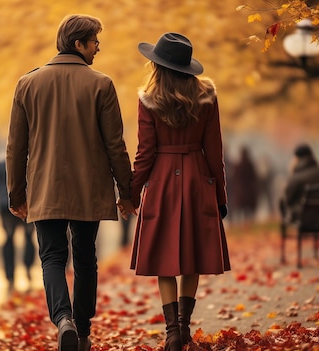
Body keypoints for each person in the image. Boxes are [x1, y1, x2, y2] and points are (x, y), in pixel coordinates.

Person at [6, 14, 133, 351]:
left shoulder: (27, 84)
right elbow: (115, 146)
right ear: (78, 44)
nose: (98, 47)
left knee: (51, 257)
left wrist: (16, 194)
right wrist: (127, 192)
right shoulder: (101, 85)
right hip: (89, 189)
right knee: (85, 256)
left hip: (45, 188)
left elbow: (15, 147)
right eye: (94, 41)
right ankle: (84, 329)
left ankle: (62, 320)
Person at [126, 32, 231, 351]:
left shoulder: (148, 99)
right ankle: (183, 326)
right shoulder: (207, 97)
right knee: (193, 258)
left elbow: (145, 153)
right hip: (199, 180)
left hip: (161, 184)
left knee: (164, 260)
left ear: (157, 66)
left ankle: (173, 333)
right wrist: (221, 195)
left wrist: (132, 193)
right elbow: (215, 151)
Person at [0, 157, 36, 293]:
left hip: (5, 205)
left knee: (8, 237)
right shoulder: (29, 162)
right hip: (26, 205)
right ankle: (28, 268)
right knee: (28, 237)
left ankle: (10, 275)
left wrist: (1, 190)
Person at [280, 143, 319, 222]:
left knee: (281, 201)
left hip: (303, 217)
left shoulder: (296, 177)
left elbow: (287, 200)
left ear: (296, 159)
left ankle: (285, 221)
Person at [229, 146, 259, 223]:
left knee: (241, 210)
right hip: (248, 190)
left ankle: (240, 223)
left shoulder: (238, 165)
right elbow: (254, 177)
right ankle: (248, 223)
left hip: (240, 191)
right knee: (248, 211)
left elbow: (235, 178)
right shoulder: (250, 164)